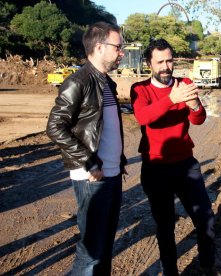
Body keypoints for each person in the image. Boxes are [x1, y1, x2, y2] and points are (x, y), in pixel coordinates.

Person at [46, 21, 127, 275]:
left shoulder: (107, 83)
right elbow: (55, 126)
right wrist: (90, 161)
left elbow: (107, 126)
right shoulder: (77, 81)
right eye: (118, 47)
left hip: (111, 175)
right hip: (93, 177)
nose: (121, 52)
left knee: (103, 248)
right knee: (91, 252)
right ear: (100, 47)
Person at [130, 39, 215, 276]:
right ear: (149, 63)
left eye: (169, 60)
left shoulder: (185, 83)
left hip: (186, 164)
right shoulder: (140, 89)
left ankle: (208, 266)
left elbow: (198, 120)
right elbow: (144, 117)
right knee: (165, 227)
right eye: (160, 62)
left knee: (206, 219)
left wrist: (195, 104)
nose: (166, 66)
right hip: (155, 168)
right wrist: (171, 99)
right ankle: (170, 272)